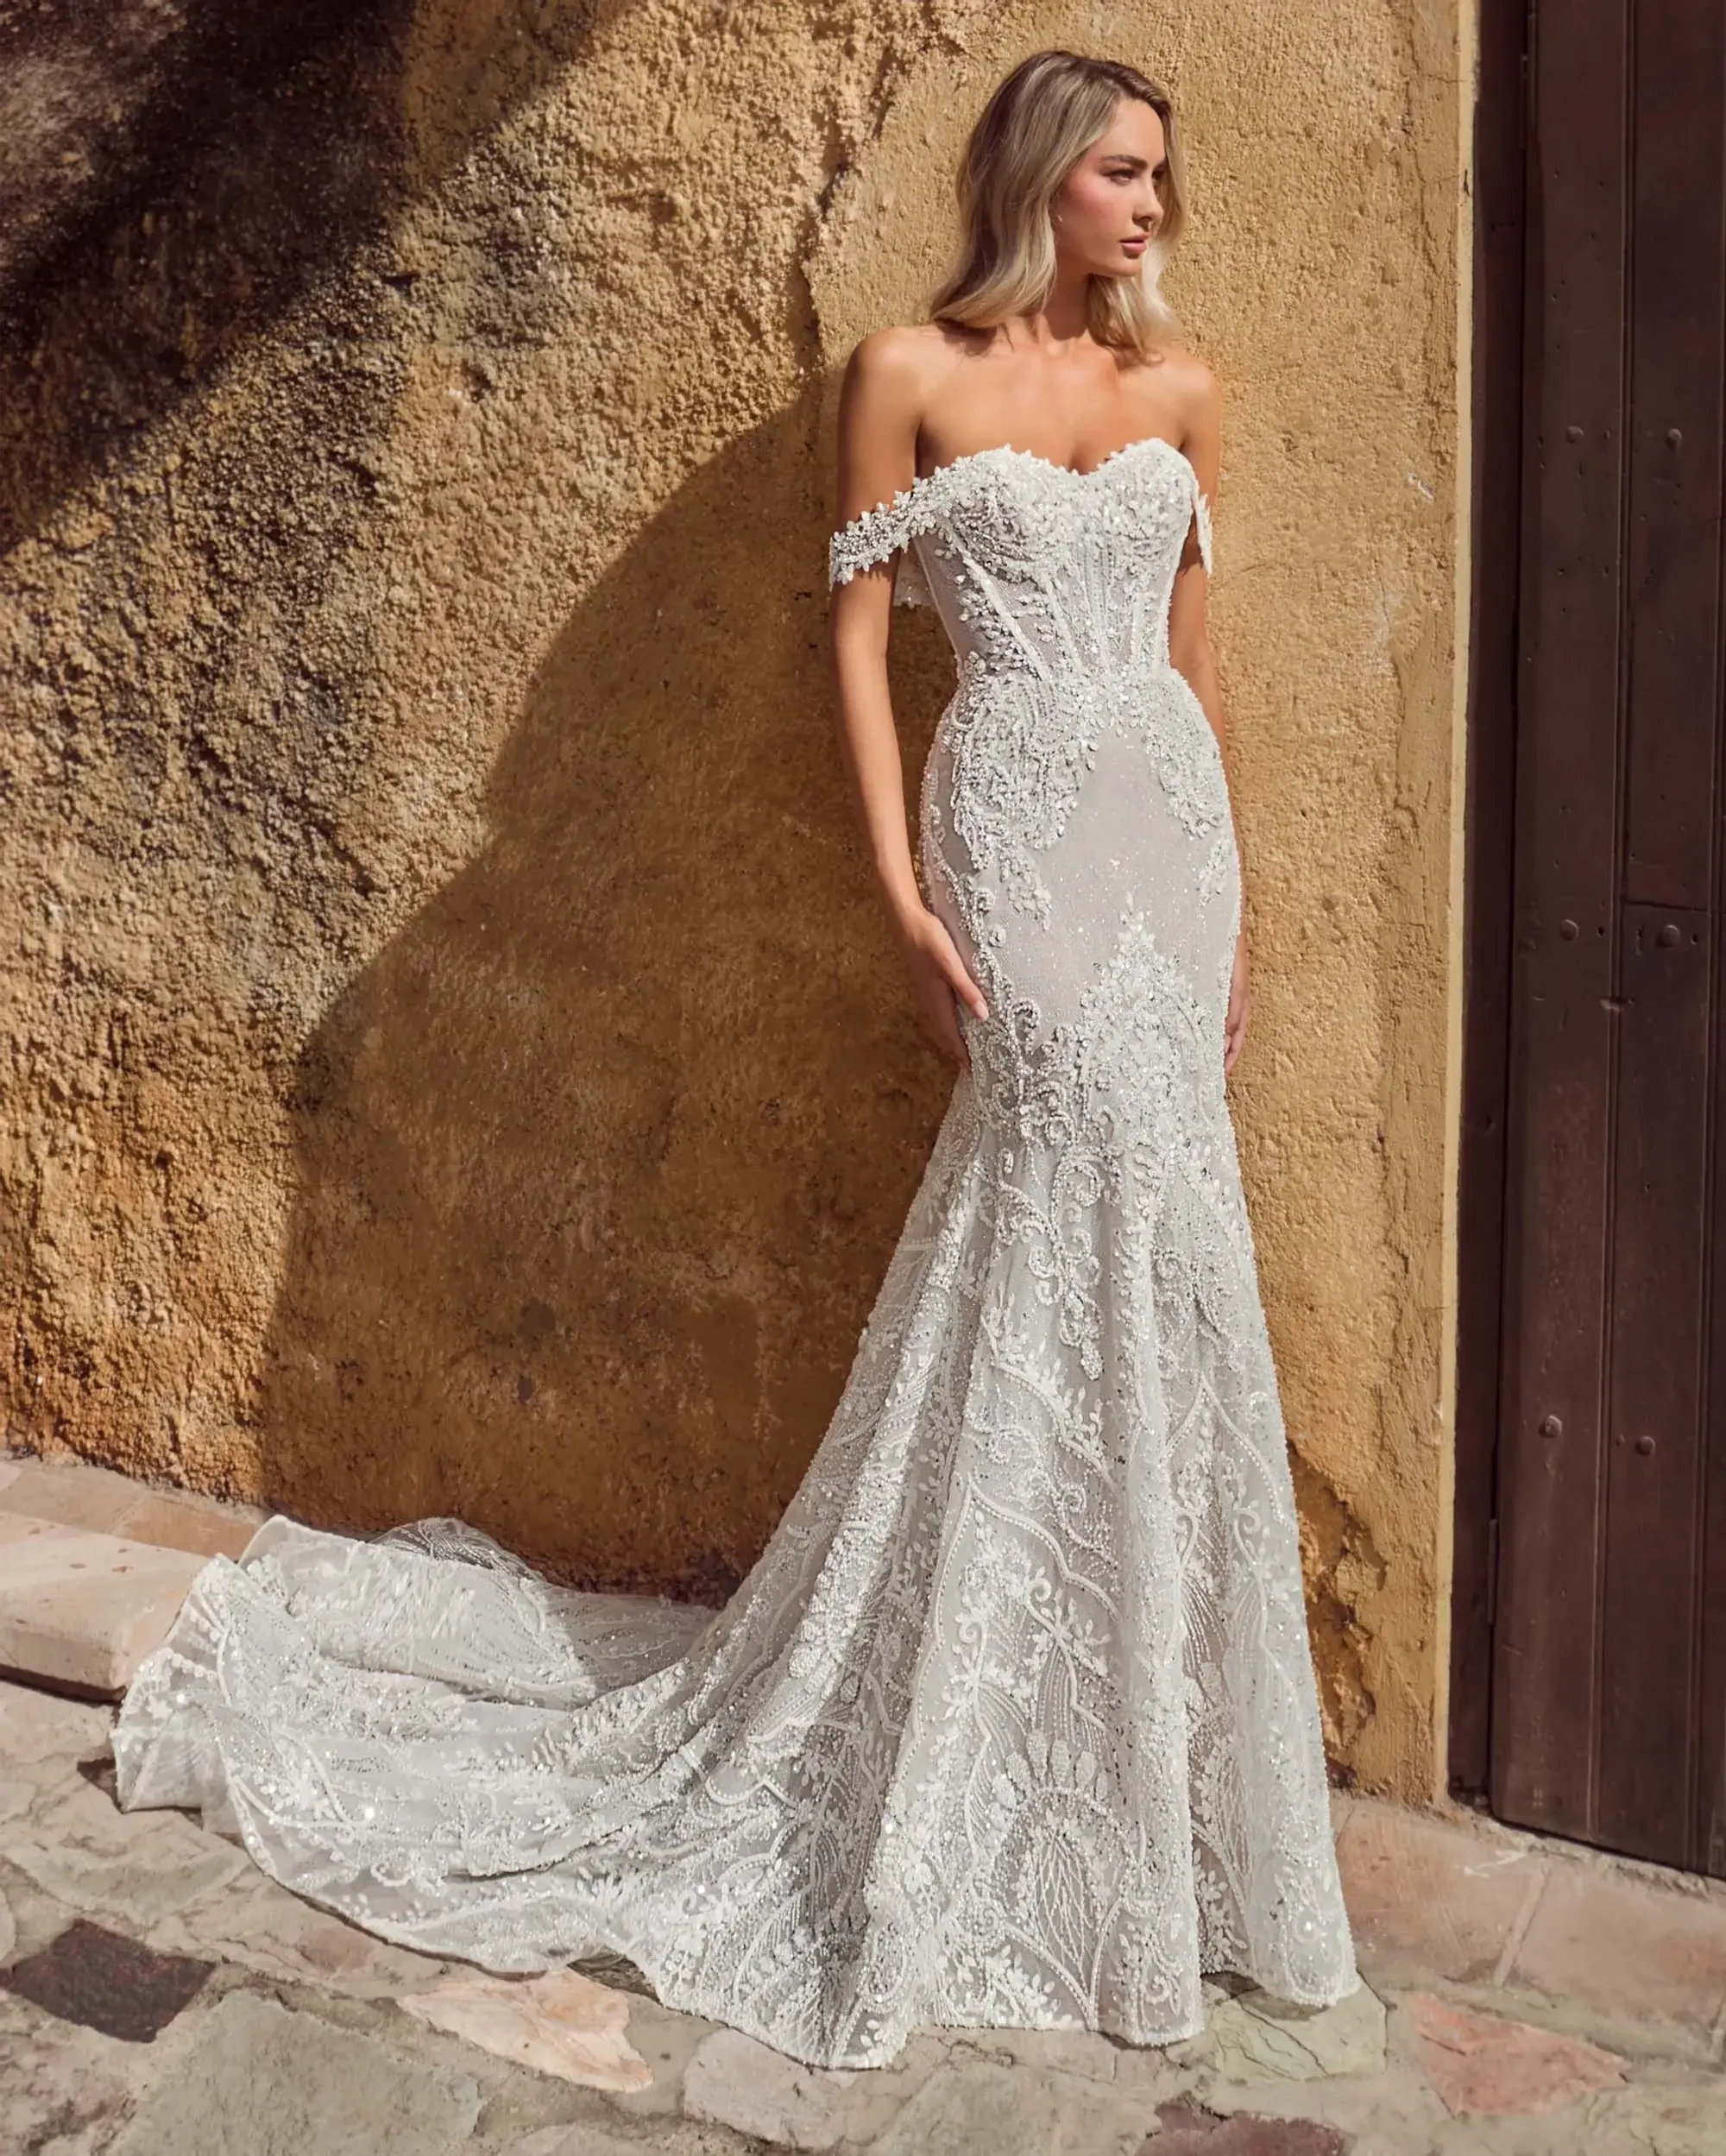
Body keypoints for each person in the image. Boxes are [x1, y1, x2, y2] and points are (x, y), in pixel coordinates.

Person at [111, 47, 1359, 2074]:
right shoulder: (905, 371)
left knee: (1180, 1253)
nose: (1153, 208)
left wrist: (1248, 920)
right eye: (1124, 173)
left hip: (1163, 844)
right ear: (1041, 179)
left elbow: (1189, 681)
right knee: (1053, 1214)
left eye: (1163, 178)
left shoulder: (1178, 393)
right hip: (1015, 832)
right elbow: (860, 642)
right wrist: (896, 880)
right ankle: (972, 1728)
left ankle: (1141, 1770)